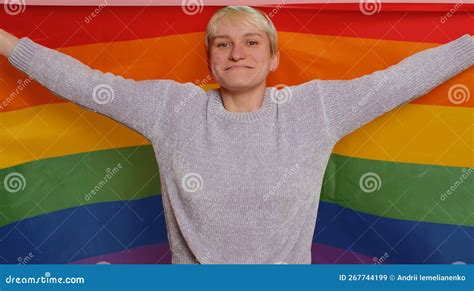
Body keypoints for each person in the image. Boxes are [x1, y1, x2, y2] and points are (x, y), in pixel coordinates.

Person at [1, 6, 473, 264]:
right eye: (222, 44)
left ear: (272, 60)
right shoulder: (172, 108)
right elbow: (84, 84)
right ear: (210, 60)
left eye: (252, 42)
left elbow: (397, 80)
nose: (236, 53)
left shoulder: (317, 108)